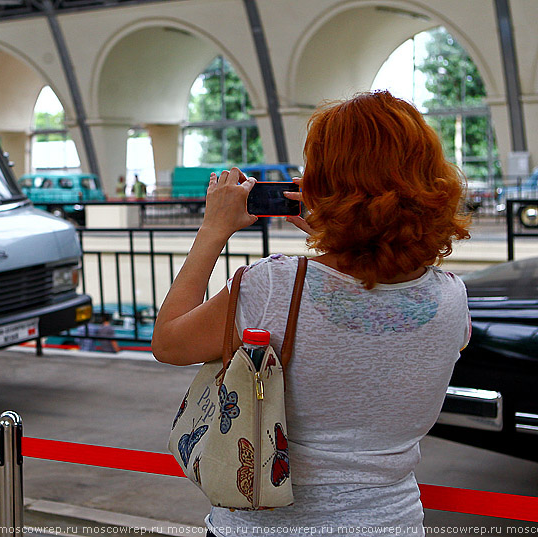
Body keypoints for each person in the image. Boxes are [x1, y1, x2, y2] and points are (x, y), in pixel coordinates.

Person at [152, 90, 471, 535]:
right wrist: (345, 236)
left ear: (322, 181)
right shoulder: (452, 299)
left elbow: (168, 342)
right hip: (393, 524)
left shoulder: (274, 286)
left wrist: (213, 229)